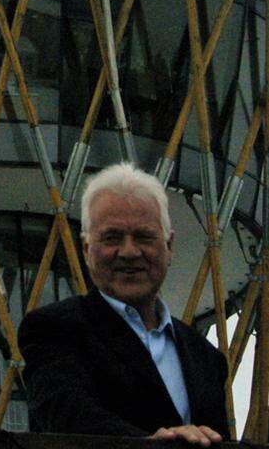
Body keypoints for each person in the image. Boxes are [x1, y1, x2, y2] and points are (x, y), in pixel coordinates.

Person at [19, 163, 228, 445]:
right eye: (112, 238)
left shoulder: (206, 357)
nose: (129, 252)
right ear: (86, 249)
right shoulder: (54, 330)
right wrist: (147, 444)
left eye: (144, 236)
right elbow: (66, 416)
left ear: (169, 246)